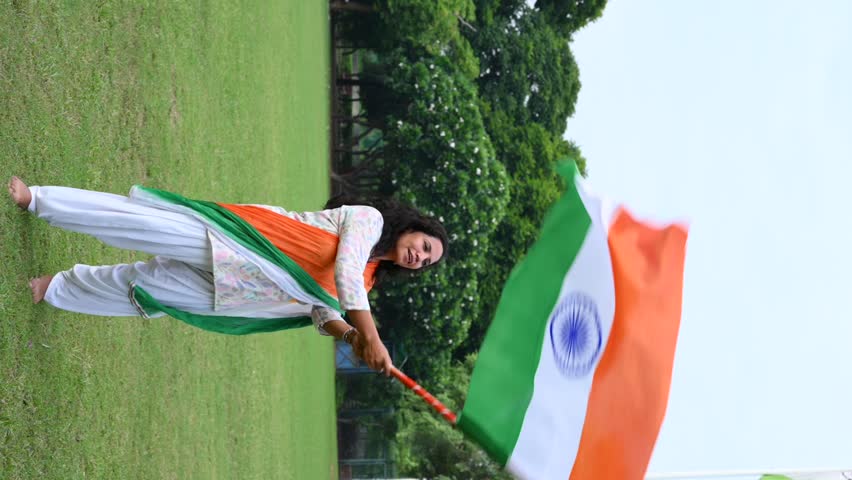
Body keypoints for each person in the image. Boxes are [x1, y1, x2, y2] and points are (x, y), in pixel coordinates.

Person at [7, 176, 448, 375]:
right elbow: (346, 269)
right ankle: (39, 200)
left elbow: (319, 313)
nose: (419, 257)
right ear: (412, 227)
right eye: (425, 247)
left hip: (241, 292)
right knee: (141, 224)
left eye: (425, 262)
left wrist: (350, 337)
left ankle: (55, 288)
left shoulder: (368, 286)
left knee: (146, 292)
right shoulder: (368, 221)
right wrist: (370, 335)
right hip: (239, 240)